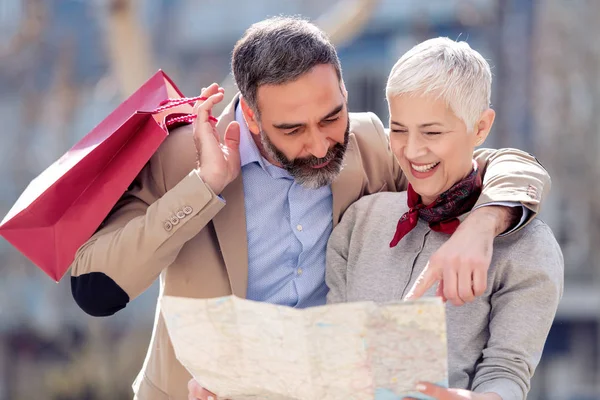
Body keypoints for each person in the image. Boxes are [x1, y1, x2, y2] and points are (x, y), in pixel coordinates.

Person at [68, 17, 550, 400]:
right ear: (252, 117)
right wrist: (203, 187)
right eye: (293, 130)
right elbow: (95, 289)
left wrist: (484, 223)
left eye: (331, 116)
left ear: (343, 91)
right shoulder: (180, 155)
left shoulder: (366, 144)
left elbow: (499, 164)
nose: (321, 145)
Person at [325, 37, 564, 400]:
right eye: (400, 129)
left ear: (481, 128)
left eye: (433, 132)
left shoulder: (527, 247)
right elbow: (331, 351)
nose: (412, 150)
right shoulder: (360, 220)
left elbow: (507, 370)